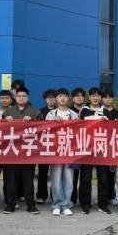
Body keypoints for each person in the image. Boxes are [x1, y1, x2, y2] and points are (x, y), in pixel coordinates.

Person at [2, 87, 42, 214]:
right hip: (12, 151)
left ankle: (31, 204)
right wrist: (5, 120)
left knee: (28, 180)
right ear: (15, 98)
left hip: (28, 152)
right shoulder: (8, 112)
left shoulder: (35, 111)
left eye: (24, 96)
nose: (21, 98)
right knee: (11, 180)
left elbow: (43, 127)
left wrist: (33, 121)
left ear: (28, 98)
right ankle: (10, 204)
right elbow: (0, 129)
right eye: (19, 96)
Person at [78, 87, 112, 215]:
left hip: (102, 150)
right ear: (89, 97)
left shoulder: (105, 111)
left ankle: (103, 205)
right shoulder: (84, 110)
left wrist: (106, 122)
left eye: (98, 96)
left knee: (103, 179)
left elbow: (111, 129)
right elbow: (79, 127)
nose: (95, 98)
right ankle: (85, 205)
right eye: (93, 95)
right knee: (85, 179)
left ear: (101, 98)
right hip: (87, 149)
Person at [46, 88, 79, 216]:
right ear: (56, 98)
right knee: (55, 179)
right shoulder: (51, 114)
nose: (63, 98)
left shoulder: (74, 115)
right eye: (60, 96)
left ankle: (66, 204)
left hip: (70, 151)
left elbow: (79, 131)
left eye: (65, 96)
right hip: (56, 151)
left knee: (69, 180)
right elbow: (45, 130)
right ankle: (56, 204)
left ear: (68, 98)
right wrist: (53, 122)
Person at [36, 88, 57, 205]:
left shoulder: (60, 111)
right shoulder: (40, 112)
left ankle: (55, 195)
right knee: (42, 171)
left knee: (55, 173)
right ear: (45, 99)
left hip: (56, 146)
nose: (51, 100)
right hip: (44, 145)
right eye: (49, 98)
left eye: (53, 98)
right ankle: (41, 195)